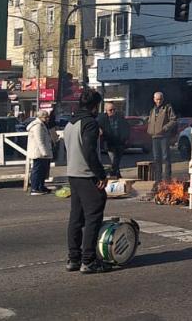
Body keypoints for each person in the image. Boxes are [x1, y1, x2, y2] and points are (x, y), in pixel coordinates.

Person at [64, 88, 109, 274]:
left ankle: (73, 258)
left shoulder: (70, 123)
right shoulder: (89, 124)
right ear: (94, 106)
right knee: (93, 217)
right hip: (86, 174)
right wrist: (101, 175)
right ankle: (88, 261)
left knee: (76, 217)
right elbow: (90, 152)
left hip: (72, 174)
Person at [146, 92, 177, 182]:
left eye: (160, 99)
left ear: (163, 99)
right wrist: (149, 130)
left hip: (164, 136)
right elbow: (150, 121)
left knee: (166, 157)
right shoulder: (152, 110)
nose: (159, 101)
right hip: (154, 137)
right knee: (156, 158)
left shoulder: (167, 108)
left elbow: (173, 120)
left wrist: (165, 128)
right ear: (154, 99)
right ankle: (158, 179)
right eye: (157, 99)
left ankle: (167, 179)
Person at [97, 103, 130, 178]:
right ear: (106, 111)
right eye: (110, 110)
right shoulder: (102, 118)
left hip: (120, 142)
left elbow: (126, 127)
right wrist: (100, 130)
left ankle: (115, 174)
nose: (112, 111)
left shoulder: (120, 117)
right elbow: (97, 125)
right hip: (109, 143)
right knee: (114, 159)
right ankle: (114, 173)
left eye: (114, 109)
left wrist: (125, 138)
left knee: (117, 159)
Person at [27, 110, 56, 195]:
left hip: (42, 152)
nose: (47, 119)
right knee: (37, 170)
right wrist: (44, 152)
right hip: (39, 152)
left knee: (43, 170)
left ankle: (40, 186)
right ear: (41, 117)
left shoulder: (42, 125)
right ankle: (34, 188)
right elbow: (39, 140)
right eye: (46, 117)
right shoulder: (38, 126)